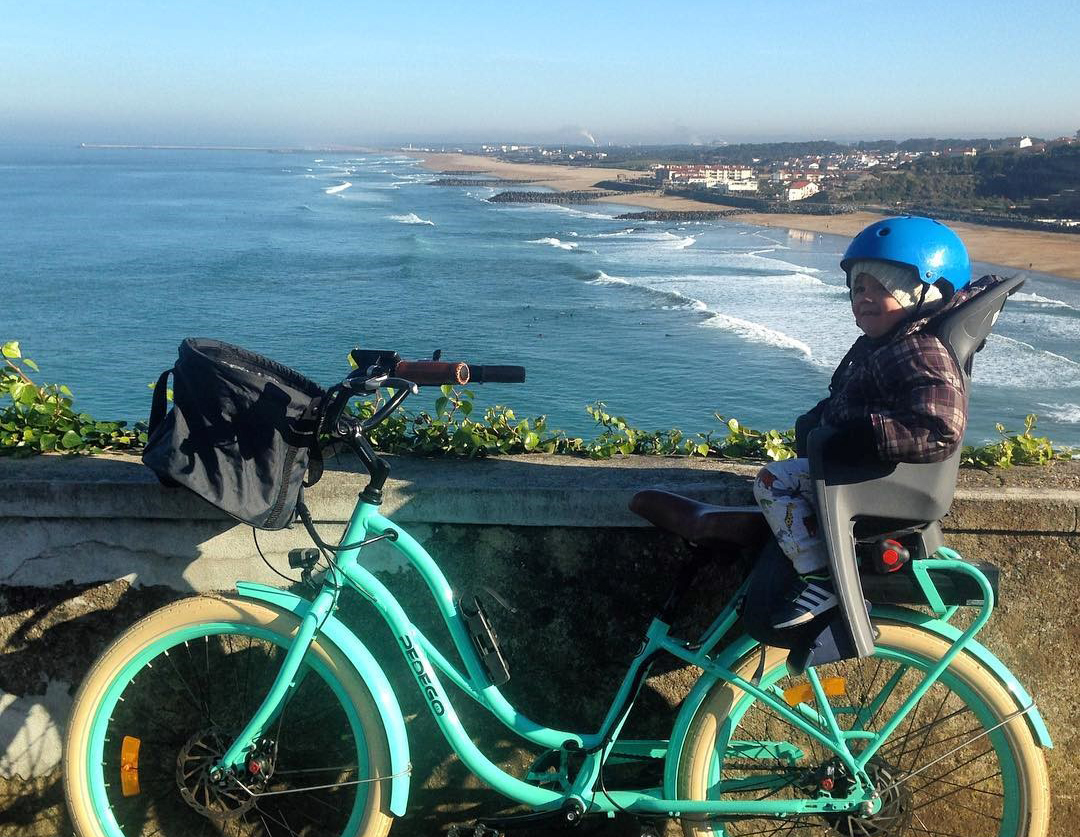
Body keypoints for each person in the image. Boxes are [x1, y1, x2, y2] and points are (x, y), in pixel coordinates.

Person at [753, 216, 974, 629]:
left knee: (773, 482)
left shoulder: (920, 350)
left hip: (881, 481)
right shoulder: (887, 346)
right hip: (866, 471)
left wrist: (863, 436)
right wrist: (820, 421)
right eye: (858, 287)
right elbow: (854, 396)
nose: (865, 298)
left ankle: (820, 578)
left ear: (927, 293)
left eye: (883, 286)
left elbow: (942, 425)